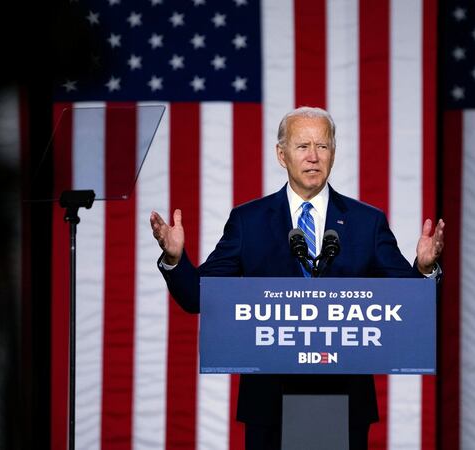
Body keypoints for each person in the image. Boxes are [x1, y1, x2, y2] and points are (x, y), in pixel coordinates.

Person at [150, 106, 444, 449]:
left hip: (346, 402)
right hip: (269, 403)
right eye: (302, 146)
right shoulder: (249, 221)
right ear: (281, 154)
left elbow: (406, 305)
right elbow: (199, 297)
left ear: (333, 154)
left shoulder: (367, 222)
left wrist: (424, 269)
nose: (313, 156)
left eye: (322, 146)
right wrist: (175, 260)